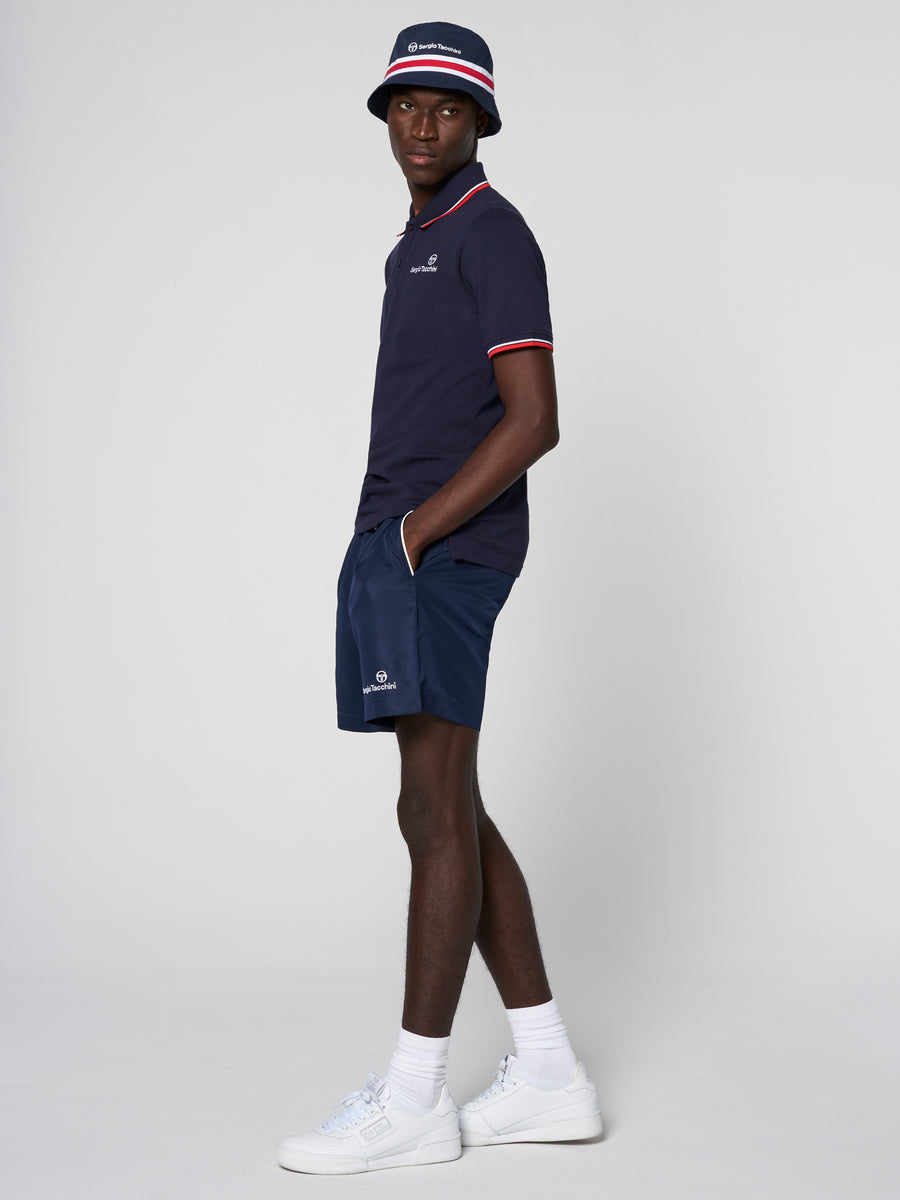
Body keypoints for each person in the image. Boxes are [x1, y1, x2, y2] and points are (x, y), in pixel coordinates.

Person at [277, 21, 602, 1175]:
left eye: (447, 108)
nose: (423, 125)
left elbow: (535, 417)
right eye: (406, 105)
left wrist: (416, 536)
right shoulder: (417, 240)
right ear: (387, 118)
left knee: (434, 806)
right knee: (442, 801)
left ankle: (415, 1095)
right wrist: (387, 539)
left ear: (480, 122)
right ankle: (549, 1071)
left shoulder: (492, 233)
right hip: (402, 543)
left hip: (446, 548)